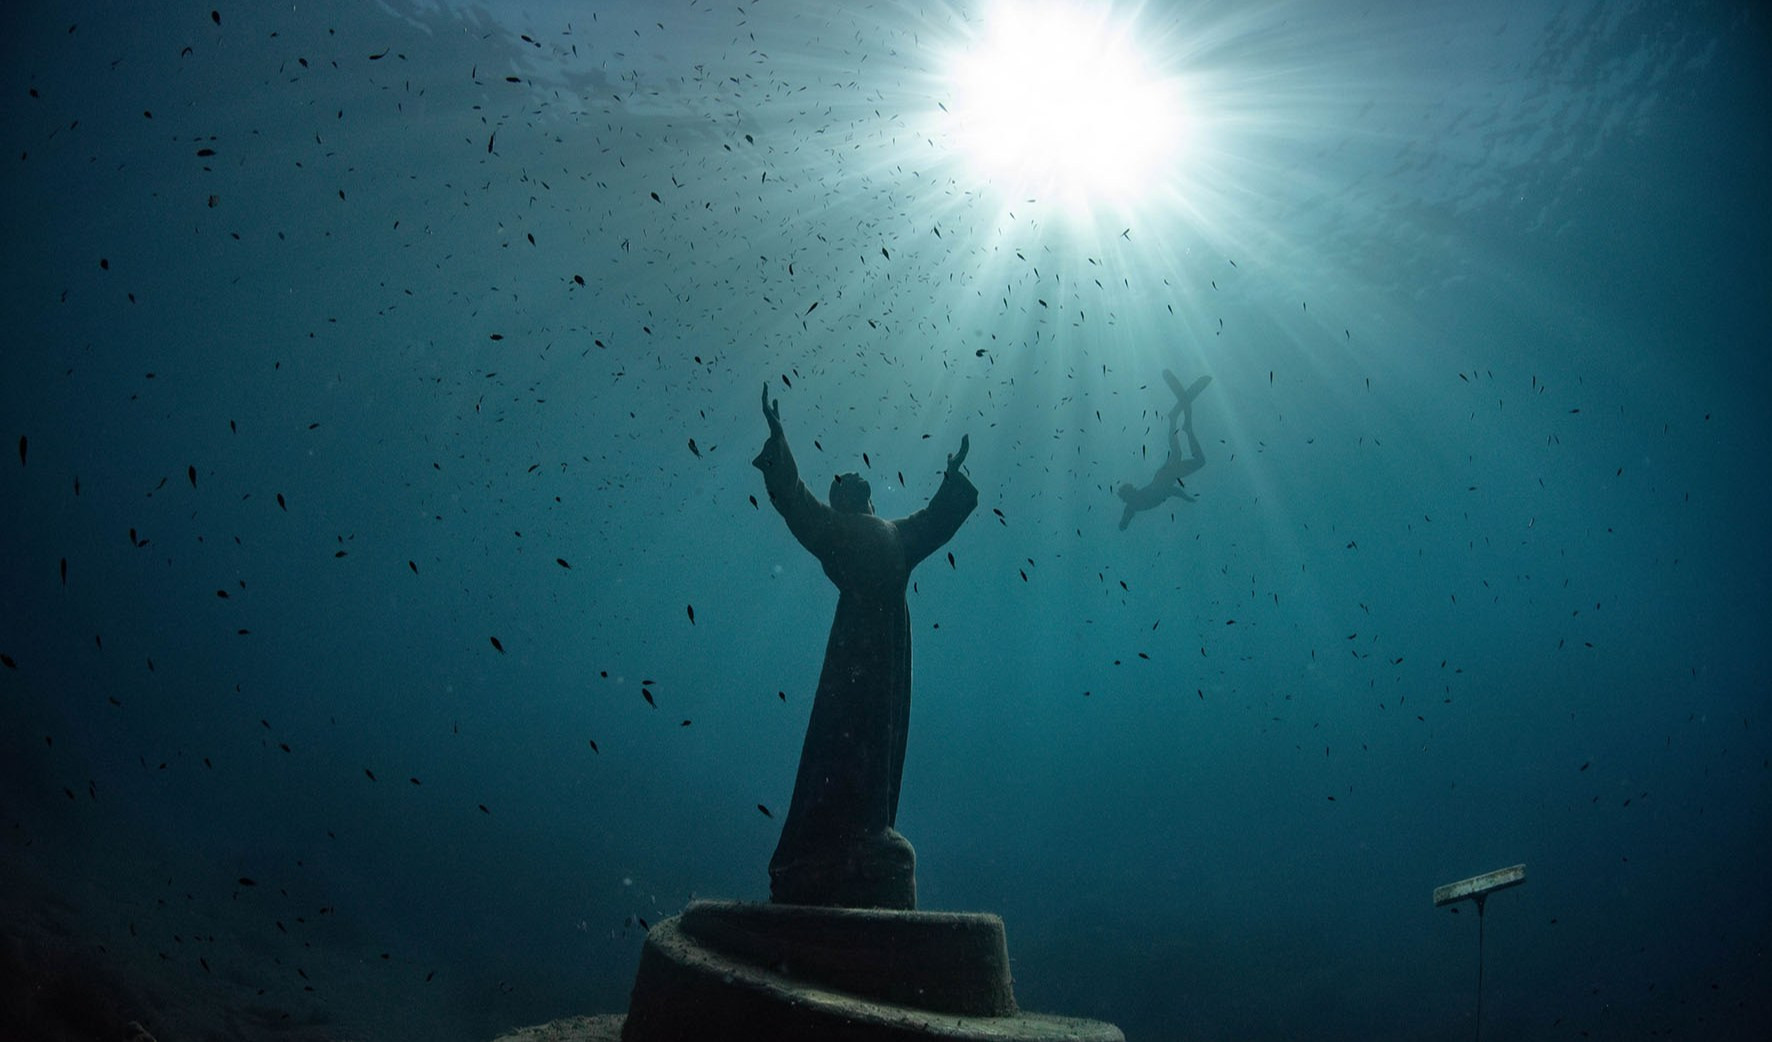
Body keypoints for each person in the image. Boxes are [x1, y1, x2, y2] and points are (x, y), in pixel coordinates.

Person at [752, 384, 975, 910]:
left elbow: (939, 518)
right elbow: (795, 499)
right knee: (843, 736)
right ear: (843, 503)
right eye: (841, 483)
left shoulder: (897, 533)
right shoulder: (833, 529)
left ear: (868, 498)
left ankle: (867, 828)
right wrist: (779, 439)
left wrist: (952, 475)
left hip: (883, 651)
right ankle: (835, 836)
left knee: (876, 738)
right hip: (857, 648)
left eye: (853, 480)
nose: (846, 479)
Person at [1117, 371, 1209, 530]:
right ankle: (1178, 424)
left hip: (1168, 476)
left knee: (1192, 459)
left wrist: (1187, 498)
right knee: (1179, 454)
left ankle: (1176, 422)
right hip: (1167, 475)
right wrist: (1124, 523)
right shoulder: (1132, 506)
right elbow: (1123, 523)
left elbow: (1171, 490)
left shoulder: (1135, 504)